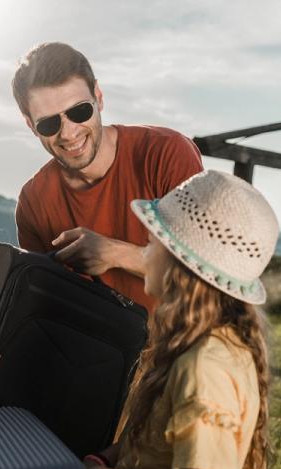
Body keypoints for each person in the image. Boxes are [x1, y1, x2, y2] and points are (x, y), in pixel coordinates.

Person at [83, 170, 278, 469]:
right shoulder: (206, 341)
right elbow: (157, 437)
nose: (144, 251)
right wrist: (107, 459)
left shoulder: (203, 368)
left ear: (179, 266)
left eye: (154, 242)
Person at [11, 42, 204, 311]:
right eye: (49, 123)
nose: (68, 133)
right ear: (31, 125)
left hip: (180, 347)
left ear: (98, 97)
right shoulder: (33, 201)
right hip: (94, 351)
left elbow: (205, 272)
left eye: (80, 111)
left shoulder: (167, 152)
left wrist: (113, 253)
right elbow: (45, 305)